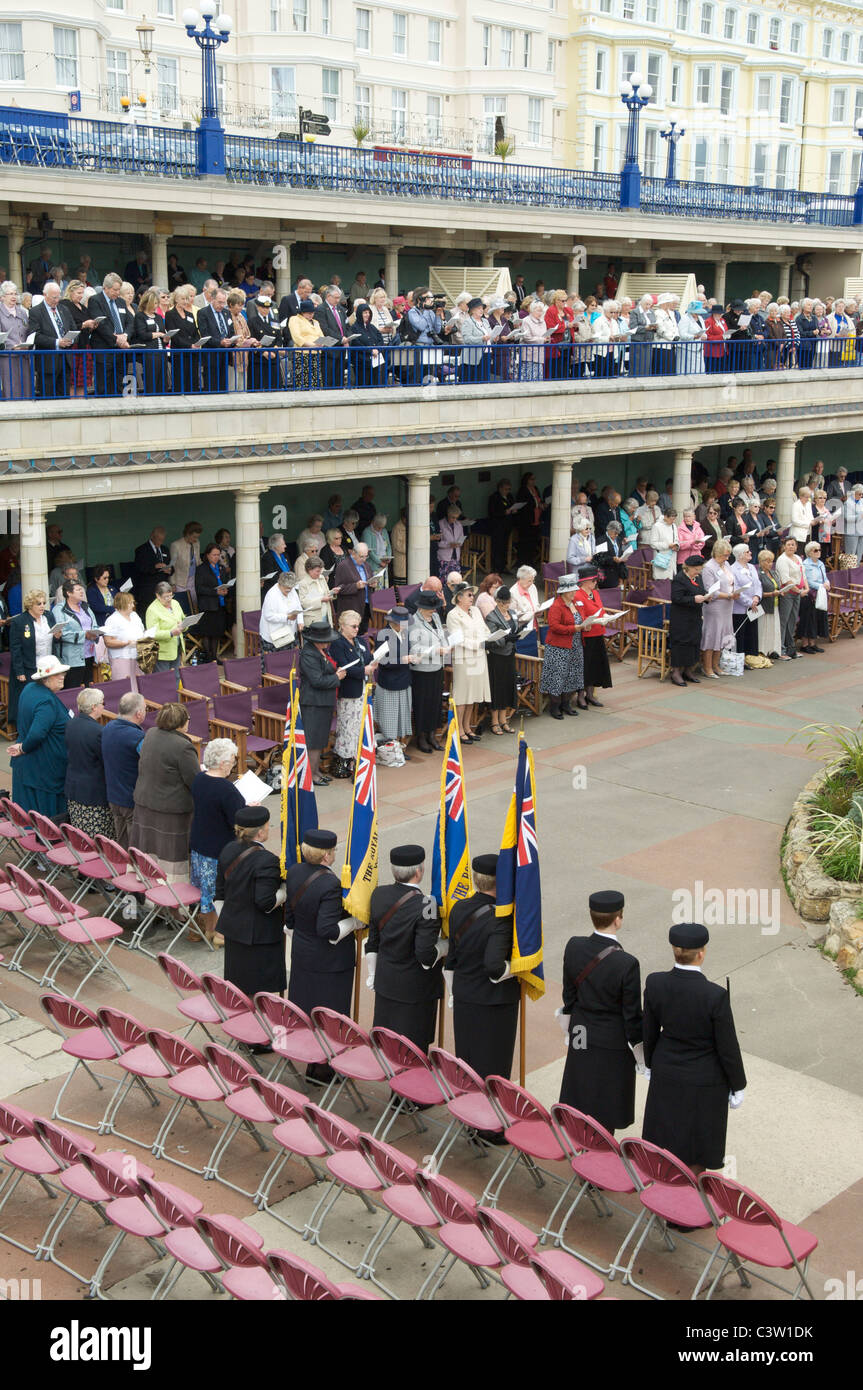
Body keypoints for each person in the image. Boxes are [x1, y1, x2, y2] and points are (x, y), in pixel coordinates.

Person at [642, 923, 746, 1172]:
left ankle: (663, 1192)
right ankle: (688, 1204)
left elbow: (649, 1030)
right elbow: (727, 1047)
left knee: (665, 1138)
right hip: (704, 1079)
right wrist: (738, 1084)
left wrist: (650, 1063)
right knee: (697, 1148)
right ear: (702, 953)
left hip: (667, 1070)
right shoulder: (715, 995)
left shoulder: (655, 983)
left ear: (674, 951)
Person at [558, 890, 643, 1134]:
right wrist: (639, 1049)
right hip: (611, 1040)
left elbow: (569, 995)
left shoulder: (574, 946)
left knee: (581, 1092)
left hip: (581, 1030)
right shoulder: (626, 963)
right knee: (606, 1104)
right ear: (619, 919)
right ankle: (598, 1163)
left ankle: (581, 1147)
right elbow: (632, 1015)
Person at [285, 828, 360, 1074]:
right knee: (330, 1016)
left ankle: (308, 1059)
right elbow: (329, 930)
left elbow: (290, 918)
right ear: (326, 856)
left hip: (303, 953)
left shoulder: (295, 871)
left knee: (305, 1008)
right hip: (329, 962)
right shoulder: (330, 884)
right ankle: (325, 1071)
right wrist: (356, 923)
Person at [446, 853, 520, 1082]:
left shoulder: (458, 908)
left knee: (467, 1063)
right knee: (492, 1069)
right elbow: (495, 968)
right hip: (494, 1005)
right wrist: (520, 967)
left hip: (464, 997)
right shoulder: (501, 918)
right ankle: (488, 1115)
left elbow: (453, 958)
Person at [366, 845, 444, 1052]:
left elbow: (372, 940)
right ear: (419, 872)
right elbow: (426, 956)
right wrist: (445, 947)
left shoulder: (379, 894)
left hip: (385, 983)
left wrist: (372, 974)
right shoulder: (428, 904)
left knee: (388, 1046)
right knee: (411, 1052)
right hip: (415, 992)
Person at [217, 806, 286, 1000]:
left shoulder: (228, 849)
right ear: (261, 832)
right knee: (258, 991)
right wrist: (284, 891)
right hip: (258, 935)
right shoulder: (267, 860)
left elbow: (219, 892)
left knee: (238, 986)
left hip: (234, 929)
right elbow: (265, 902)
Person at [130, 701, 200, 879]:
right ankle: (172, 890)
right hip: (171, 808)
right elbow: (194, 781)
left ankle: (145, 879)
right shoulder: (183, 747)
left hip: (146, 801)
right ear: (180, 722)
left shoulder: (151, 733)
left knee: (148, 848)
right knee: (170, 854)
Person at [190, 738, 244, 947]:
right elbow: (237, 820)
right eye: (232, 759)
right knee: (217, 893)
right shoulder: (226, 788)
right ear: (222, 763)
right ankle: (219, 933)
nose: (233, 763)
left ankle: (208, 929)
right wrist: (250, 807)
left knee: (205, 890)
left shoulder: (200, 779)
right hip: (218, 848)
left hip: (200, 843)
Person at [8, 654, 71, 818]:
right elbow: (37, 734)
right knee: (46, 827)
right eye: (58, 674)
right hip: (43, 772)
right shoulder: (46, 701)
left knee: (30, 823)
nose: (62, 676)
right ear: (46, 678)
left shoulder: (29, 689)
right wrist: (23, 747)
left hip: (30, 769)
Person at [299, 617, 348, 785]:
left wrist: (337, 671)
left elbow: (327, 669)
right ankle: (311, 775)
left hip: (324, 701)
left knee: (320, 739)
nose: (327, 643)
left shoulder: (321, 651)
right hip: (313, 702)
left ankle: (317, 771)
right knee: (313, 740)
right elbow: (317, 680)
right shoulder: (308, 654)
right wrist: (337, 677)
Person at [328, 609, 373, 779]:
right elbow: (344, 667)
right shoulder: (338, 643)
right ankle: (344, 762)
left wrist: (373, 660)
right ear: (342, 626)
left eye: (358, 626)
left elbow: (367, 657)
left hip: (361, 689)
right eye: (353, 626)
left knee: (358, 727)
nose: (356, 629)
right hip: (348, 691)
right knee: (347, 728)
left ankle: (355, 759)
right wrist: (364, 670)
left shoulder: (359, 641)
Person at [7, 590, 61, 727]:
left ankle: (48, 724)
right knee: (31, 699)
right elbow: (15, 648)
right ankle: (28, 728)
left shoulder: (48, 616)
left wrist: (57, 637)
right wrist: (19, 672)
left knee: (48, 696)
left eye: (44, 603)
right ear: (30, 605)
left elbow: (55, 640)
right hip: (29, 667)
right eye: (39, 604)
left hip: (49, 665)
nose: (42, 606)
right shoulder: (19, 621)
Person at [64, 687, 113, 837]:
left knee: (80, 837)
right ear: (94, 707)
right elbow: (106, 762)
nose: (104, 706)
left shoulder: (71, 724)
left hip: (74, 788)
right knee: (98, 840)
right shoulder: (98, 731)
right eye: (102, 703)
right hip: (93, 794)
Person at [102, 691, 147, 848]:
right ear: (139, 713)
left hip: (113, 796)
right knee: (136, 847)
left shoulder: (107, 727)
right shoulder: (137, 737)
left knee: (121, 844)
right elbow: (149, 765)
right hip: (131, 798)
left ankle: (122, 871)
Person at [446, 584, 490, 743]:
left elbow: (486, 630)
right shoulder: (453, 614)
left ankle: (467, 727)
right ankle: (458, 730)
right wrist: (478, 643)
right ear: (459, 597)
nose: (472, 598)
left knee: (473, 695)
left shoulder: (476, 611)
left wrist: (486, 641)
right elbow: (458, 639)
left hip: (479, 656)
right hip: (464, 658)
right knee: (463, 695)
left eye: (473, 595)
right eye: (469, 595)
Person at [373, 606, 416, 756]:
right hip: (389, 683)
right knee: (389, 719)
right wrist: (402, 660)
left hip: (404, 680)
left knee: (401, 716)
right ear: (395, 622)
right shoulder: (382, 635)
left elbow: (410, 651)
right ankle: (391, 749)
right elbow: (382, 661)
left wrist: (414, 658)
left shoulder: (405, 633)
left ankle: (399, 747)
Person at [541, 573, 584, 719]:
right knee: (558, 676)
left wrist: (586, 625)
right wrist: (574, 629)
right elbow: (554, 626)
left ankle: (566, 704)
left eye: (574, 590)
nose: (574, 593)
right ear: (564, 592)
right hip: (559, 647)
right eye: (571, 590)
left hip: (575, 645)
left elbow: (580, 618)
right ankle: (555, 706)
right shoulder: (556, 606)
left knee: (572, 674)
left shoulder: (575, 603)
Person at [408, 591, 447, 754]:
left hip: (437, 667)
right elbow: (414, 647)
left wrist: (446, 646)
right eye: (430, 608)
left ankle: (432, 735)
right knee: (423, 704)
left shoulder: (436, 618)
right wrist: (435, 651)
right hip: (422, 670)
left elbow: (442, 636)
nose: (433, 610)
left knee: (435, 703)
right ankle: (421, 737)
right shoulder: (413, 621)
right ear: (421, 607)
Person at [572, 563, 612, 709]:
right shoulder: (577, 595)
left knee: (595, 665)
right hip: (586, 636)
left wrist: (606, 616)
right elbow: (580, 615)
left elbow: (600, 610)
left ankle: (590, 694)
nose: (596, 583)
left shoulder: (595, 593)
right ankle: (580, 696)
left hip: (598, 632)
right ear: (585, 581)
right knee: (585, 666)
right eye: (594, 580)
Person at [484, 585, 521, 735]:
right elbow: (491, 638)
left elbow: (516, 627)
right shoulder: (491, 617)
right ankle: (494, 722)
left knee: (507, 687)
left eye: (508, 602)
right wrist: (505, 639)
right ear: (498, 602)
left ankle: (503, 720)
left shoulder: (512, 613)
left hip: (510, 654)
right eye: (504, 603)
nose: (507, 606)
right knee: (497, 688)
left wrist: (518, 634)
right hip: (497, 656)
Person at [699, 539, 738, 678]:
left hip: (728, 604)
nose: (727, 558)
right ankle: (707, 667)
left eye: (728, 555)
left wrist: (735, 592)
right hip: (715, 606)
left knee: (723, 635)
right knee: (712, 635)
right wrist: (728, 595)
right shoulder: (709, 567)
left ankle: (716, 665)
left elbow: (732, 581)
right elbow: (710, 591)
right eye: (724, 555)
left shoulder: (726, 564)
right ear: (717, 553)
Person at [669, 555, 708, 686]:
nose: (698, 572)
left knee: (694, 641)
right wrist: (693, 599)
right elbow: (676, 598)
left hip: (695, 616)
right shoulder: (679, 579)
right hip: (681, 617)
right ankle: (675, 671)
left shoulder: (698, 577)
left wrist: (707, 596)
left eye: (700, 569)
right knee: (681, 642)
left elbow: (701, 591)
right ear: (688, 567)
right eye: (696, 569)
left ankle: (688, 670)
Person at [53, 580, 99, 688]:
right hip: (71, 658)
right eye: (78, 589)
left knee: (89, 689)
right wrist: (84, 635)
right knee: (73, 689)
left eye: (81, 589)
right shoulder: (59, 610)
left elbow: (95, 625)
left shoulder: (85, 607)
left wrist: (95, 633)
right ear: (68, 593)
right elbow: (61, 632)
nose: (81, 591)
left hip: (89, 653)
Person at [102, 591, 146, 689]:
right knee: (124, 686)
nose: (133, 605)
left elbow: (142, 631)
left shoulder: (135, 615)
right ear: (122, 604)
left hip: (137, 655)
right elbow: (108, 641)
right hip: (121, 657)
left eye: (133, 602)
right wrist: (125, 643)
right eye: (130, 603)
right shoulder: (112, 620)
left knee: (139, 685)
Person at [194, 541, 229, 662]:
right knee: (207, 632)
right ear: (208, 555)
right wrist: (216, 592)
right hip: (207, 605)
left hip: (220, 604)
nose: (216, 557)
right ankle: (208, 657)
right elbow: (199, 588)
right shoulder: (201, 569)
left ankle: (214, 656)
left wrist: (225, 589)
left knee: (217, 632)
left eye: (218, 554)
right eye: (214, 554)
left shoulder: (221, 568)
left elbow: (225, 581)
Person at [165, 283, 201, 394]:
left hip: (192, 353)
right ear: (176, 299)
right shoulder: (170, 314)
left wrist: (197, 342)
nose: (185, 301)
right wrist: (189, 345)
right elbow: (174, 335)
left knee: (193, 379)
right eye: (182, 299)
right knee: (180, 379)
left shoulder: (190, 315)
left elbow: (195, 331)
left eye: (187, 298)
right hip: (179, 353)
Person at [775, 536, 807, 660]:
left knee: (792, 621)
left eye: (793, 544)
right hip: (788, 593)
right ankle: (781, 650)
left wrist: (805, 588)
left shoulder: (798, 558)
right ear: (784, 546)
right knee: (784, 621)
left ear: (796, 546)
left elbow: (802, 574)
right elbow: (786, 580)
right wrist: (799, 591)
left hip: (797, 593)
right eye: (788, 544)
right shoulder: (782, 560)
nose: (791, 547)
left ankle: (791, 649)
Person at [0, 280, 32, 401]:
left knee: (26, 388)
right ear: (2, 297)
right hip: (7, 357)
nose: (14, 297)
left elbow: (27, 331)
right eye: (10, 294)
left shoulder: (22, 312)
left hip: (24, 356)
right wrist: (13, 346)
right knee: (11, 388)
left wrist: (28, 343)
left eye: (15, 294)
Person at [730, 543, 763, 660]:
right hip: (740, 608)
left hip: (754, 606)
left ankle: (751, 657)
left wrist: (757, 597)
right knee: (741, 634)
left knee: (752, 633)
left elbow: (758, 584)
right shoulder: (733, 569)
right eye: (747, 552)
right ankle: (740, 659)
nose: (750, 553)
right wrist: (749, 602)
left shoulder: (752, 567)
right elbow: (736, 589)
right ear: (740, 555)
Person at [146, 581, 186, 676]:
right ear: (158, 596)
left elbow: (183, 619)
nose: (169, 599)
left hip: (177, 648)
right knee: (165, 680)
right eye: (166, 597)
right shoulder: (152, 609)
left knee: (176, 677)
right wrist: (171, 633)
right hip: (162, 653)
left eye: (171, 595)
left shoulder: (175, 603)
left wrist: (184, 625)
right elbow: (152, 634)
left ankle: (176, 692)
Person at [333, 541, 372, 632]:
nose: (364, 559)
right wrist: (356, 586)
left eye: (366, 556)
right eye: (361, 556)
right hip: (351, 608)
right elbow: (338, 589)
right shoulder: (343, 566)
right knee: (352, 636)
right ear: (353, 553)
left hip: (365, 605)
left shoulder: (366, 565)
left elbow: (369, 580)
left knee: (363, 634)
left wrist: (372, 584)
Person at [260, 570, 303, 651]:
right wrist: (287, 617)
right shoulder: (271, 595)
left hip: (290, 633)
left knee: (292, 660)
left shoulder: (292, 590)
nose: (289, 590)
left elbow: (298, 607)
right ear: (280, 584)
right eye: (286, 588)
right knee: (274, 662)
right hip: (274, 635)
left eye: (290, 588)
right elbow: (268, 616)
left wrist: (300, 622)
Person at [134, 526, 173, 612]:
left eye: (162, 540)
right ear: (152, 536)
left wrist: (169, 570)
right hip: (148, 589)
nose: (160, 542)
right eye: (158, 539)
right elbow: (140, 568)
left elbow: (171, 566)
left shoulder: (165, 549)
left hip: (163, 587)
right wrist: (155, 567)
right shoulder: (141, 550)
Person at [801, 540, 829, 654]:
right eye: (815, 550)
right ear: (809, 552)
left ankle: (813, 643)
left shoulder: (821, 563)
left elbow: (825, 577)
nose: (818, 552)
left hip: (820, 594)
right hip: (810, 595)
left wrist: (827, 583)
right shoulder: (806, 565)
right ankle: (805, 644)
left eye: (819, 550)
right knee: (808, 620)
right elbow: (808, 581)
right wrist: (821, 585)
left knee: (817, 618)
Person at [169, 522, 203, 613]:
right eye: (194, 537)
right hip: (180, 582)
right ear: (188, 534)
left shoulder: (196, 543)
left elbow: (198, 560)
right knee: (183, 607)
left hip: (193, 580)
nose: (196, 539)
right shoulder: (176, 545)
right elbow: (172, 566)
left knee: (194, 605)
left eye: (197, 537)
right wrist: (172, 584)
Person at [514, 472, 545, 568]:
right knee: (525, 542)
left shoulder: (535, 489)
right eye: (531, 479)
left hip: (536, 519)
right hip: (526, 521)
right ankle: (524, 562)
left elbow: (539, 500)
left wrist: (541, 505)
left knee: (533, 542)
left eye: (534, 479)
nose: (533, 481)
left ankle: (531, 561)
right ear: (526, 480)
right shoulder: (523, 490)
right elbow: (523, 504)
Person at [298, 555, 339, 629]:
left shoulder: (321, 578)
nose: (320, 573)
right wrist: (321, 600)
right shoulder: (303, 583)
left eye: (320, 571)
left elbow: (326, 594)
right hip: (313, 619)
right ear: (309, 570)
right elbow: (303, 603)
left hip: (326, 614)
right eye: (317, 571)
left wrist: (333, 592)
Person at [756, 549, 782, 659]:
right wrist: (772, 593)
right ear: (761, 562)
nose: (770, 564)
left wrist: (781, 591)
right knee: (764, 628)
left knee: (773, 628)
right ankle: (762, 650)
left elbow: (777, 585)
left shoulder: (773, 572)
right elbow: (758, 593)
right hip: (765, 606)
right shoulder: (759, 574)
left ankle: (773, 650)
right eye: (767, 561)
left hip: (775, 605)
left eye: (771, 561)